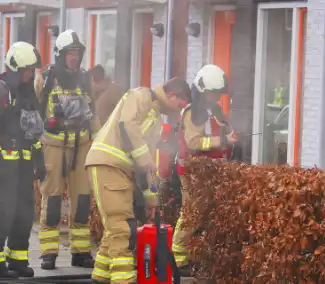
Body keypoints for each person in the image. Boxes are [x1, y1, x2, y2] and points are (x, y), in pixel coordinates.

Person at [85, 77, 190, 284]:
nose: (179, 111)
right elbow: (127, 125)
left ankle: (102, 275)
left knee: (115, 226)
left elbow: (148, 162)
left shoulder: (156, 119)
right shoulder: (141, 95)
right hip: (108, 164)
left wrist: (152, 200)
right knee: (121, 226)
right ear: (172, 95)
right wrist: (144, 160)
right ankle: (123, 279)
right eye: (180, 105)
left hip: (121, 169)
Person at [34, 29, 100, 270]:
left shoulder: (85, 79)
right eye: (70, 53)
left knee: (82, 198)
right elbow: (34, 111)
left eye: (77, 53)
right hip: (53, 144)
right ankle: (48, 253)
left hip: (80, 144)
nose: (75, 57)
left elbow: (92, 111)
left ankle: (80, 252)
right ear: (60, 55)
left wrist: (100, 138)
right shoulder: (46, 78)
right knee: (51, 199)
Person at [172, 64, 238, 274]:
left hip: (212, 172)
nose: (216, 97)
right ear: (202, 90)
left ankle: (195, 255)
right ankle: (178, 258)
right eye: (213, 93)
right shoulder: (193, 112)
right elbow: (194, 142)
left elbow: (223, 133)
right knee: (191, 213)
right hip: (192, 172)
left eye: (218, 93)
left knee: (207, 215)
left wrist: (232, 137)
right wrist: (223, 140)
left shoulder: (215, 111)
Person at [0, 41, 44, 278]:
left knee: (24, 213)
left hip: (23, 167)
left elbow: (34, 131)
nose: (31, 74)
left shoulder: (28, 94)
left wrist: (40, 161)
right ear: (16, 67)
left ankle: (17, 259)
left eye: (33, 70)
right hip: (3, 166)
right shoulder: (2, 91)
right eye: (28, 70)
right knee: (2, 212)